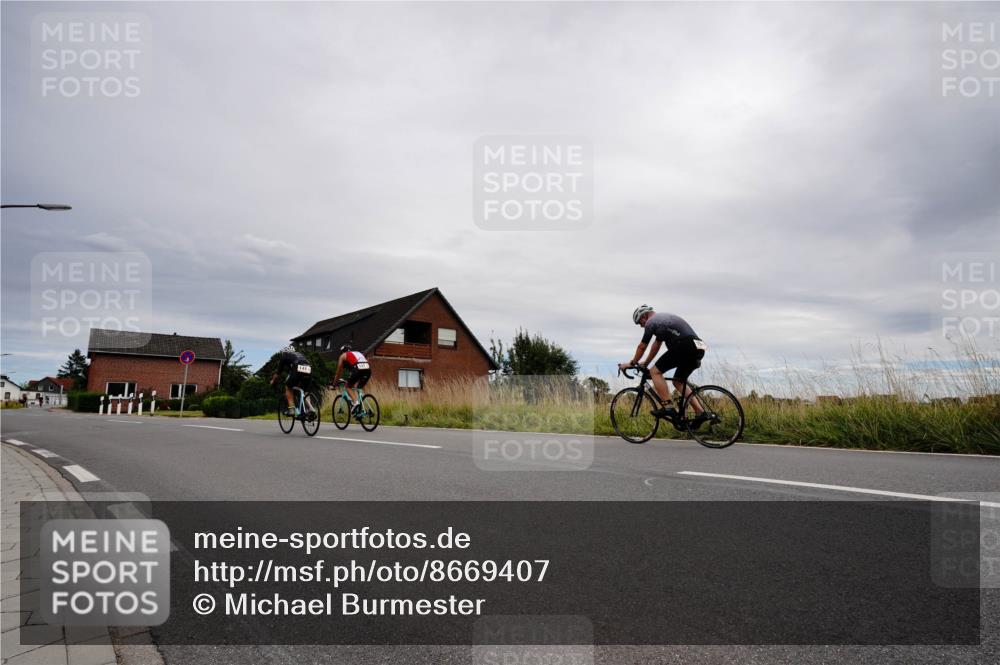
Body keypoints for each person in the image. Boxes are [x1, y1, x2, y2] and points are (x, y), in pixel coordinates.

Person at [619, 304, 709, 423]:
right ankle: (700, 412)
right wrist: (646, 363)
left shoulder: (651, 322)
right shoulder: (663, 321)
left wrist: (632, 363)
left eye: (640, 323)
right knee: (678, 381)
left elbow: (642, 347)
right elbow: (656, 346)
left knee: (655, 372)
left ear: (644, 316)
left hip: (684, 346)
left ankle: (668, 406)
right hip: (699, 347)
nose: (641, 326)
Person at [270, 345, 312, 416]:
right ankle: (310, 409)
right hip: (309, 368)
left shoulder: (284, 356)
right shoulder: (299, 354)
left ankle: (291, 409)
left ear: (284, 353)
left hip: (297, 368)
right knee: (305, 391)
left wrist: (273, 381)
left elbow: (278, 374)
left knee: (288, 387)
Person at [331, 344, 371, 414]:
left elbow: (338, 372)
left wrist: (334, 384)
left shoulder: (343, 356)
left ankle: (355, 403)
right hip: (368, 369)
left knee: (348, 387)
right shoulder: (357, 353)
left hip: (357, 368)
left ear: (342, 352)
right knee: (358, 388)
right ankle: (362, 408)